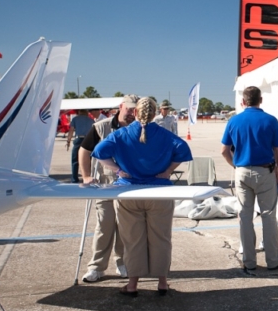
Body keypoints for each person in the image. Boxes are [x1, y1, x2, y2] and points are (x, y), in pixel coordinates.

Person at [92, 97, 193, 296]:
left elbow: (98, 152)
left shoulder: (121, 134)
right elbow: (184, 150)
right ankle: (162, 282)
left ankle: (132, 284)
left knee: (132, 240)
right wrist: (167, 171)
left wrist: (119, 171)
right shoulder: (165, 134)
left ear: (136, 113)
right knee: (161, 238)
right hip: (160, 193)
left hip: (129, 193)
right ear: (155, 114)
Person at [221, 86, 278, 271]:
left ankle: (249, 261)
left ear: (243, 102)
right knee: (268, 216)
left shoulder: (234, 121)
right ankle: (273, 260)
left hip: (242, 171)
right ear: (261, 100)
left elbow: (224, 150)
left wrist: (236, 165)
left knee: (245, 216)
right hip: (265, 172)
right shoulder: (270, 120)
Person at [79, 94, 139, 283]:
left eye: (135, 110)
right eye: (129, 109)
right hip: (105, 183)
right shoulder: (101, 126)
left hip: (128, 185)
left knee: (125, 226)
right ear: (121, 107)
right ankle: (96, 267)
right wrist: (87, 175)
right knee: (104, 224)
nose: (132, 114)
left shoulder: (138, 127)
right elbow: (84, 150)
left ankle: (122, 262)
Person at [66, 109, 95, 183]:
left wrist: (68, 140)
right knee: (89, 160)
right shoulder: (91, 120)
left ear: (79, 112)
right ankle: (88, 176)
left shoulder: (75, 119)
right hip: (88, 140)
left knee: (75, 160)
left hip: (79, 139)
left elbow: (71, 130)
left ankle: (74, 179)